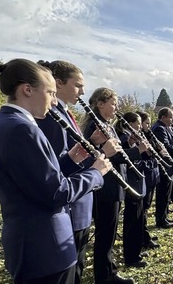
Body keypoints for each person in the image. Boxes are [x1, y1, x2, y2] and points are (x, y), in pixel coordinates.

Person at [0, 59, 110, 284]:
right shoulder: (23, 129)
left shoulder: (1, 123)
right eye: (51, 93)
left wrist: (73, 159)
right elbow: (55, 193)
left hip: (32, 245)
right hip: (46, 247)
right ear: (27, 90)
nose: (54, 102)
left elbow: (37, 179)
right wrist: (95, 173)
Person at [35, 60, 121, 284]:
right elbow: (58, 167)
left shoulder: (64, 113)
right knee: (73, 269)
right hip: (71, 203)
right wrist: (101, 154)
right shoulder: (51, 117)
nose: (83, 92)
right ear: (58, 83)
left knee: (78, 265)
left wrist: (92, 142)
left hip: (80, 200)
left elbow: (72, 153)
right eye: (78, 85)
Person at [83, 87, 139, 284]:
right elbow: (104, 155)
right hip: (104, 187)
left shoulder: (108, 124)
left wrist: (130, 147)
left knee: (110, 232)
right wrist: (138, 152)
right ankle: (105, 276)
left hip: (113, 185)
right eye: (113, 103)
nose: (116, 107)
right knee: (105, 233)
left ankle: (109, 271)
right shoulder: (94, 126)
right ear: (100, 104)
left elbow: (118, 152)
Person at [115, 112, 151, 268]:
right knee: (132, 221)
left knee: (137, 219)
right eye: (137, 123)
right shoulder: (123, 138)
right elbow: (128, 161)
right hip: (131, 182)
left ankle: (136, 250)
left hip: (137, 182)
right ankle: (131, 256)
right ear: (129, 124)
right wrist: (136, 148)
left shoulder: (130, 138)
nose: (140, 126)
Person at [152, 107, 173, 228]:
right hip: (164, 166)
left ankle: (164, 215)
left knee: (166, 193)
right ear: (163, 117)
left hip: (169, 165)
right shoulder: (159, 128)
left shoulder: (166, 128)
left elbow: (172, 143)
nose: (172, 120)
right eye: (170, 117)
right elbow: (166, 147)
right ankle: (160, 220)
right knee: (162, 193)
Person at [136, 110, 162, 250]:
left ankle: (144, 234)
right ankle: (143, 237)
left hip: (151, 175)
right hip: (144, 175)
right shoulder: (136, 138)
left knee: (145, 208)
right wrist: (153, 160)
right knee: (142, 210)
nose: (146, 126)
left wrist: (157, 150)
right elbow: (141, 159)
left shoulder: (146, 135)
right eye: (146, 123)